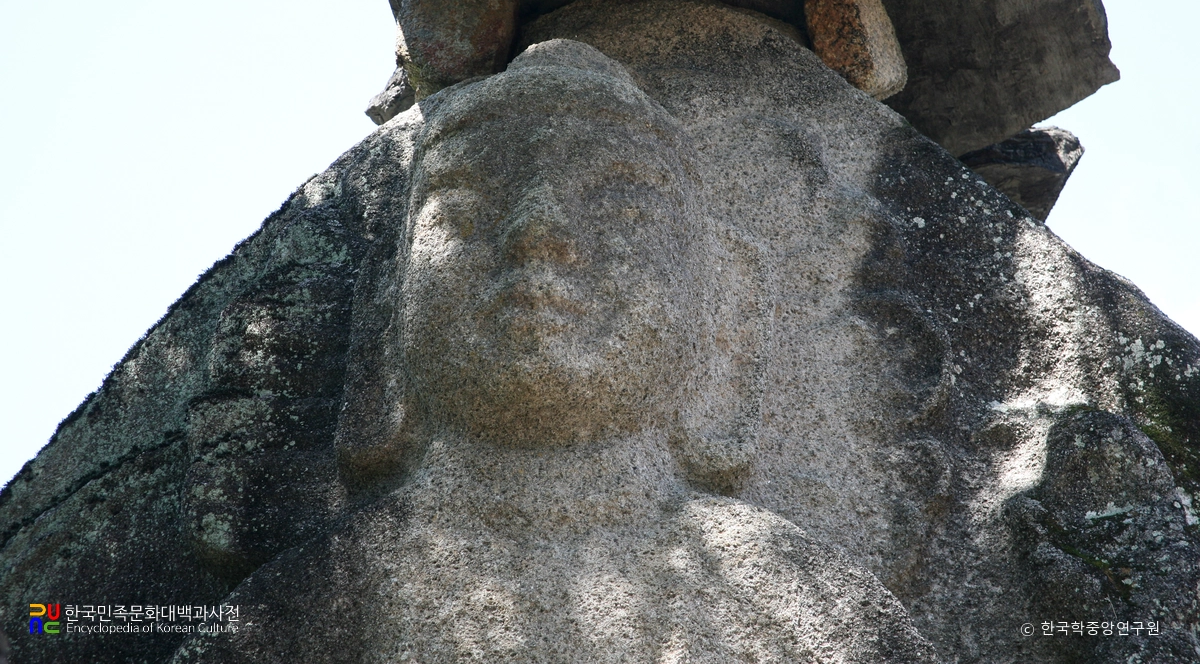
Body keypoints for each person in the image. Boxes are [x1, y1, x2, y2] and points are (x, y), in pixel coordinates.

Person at [171, 40, 935, 663]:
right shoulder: (315, 604)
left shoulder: (798, 609)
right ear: (383, 310)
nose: (538, 232)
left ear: (728, 312)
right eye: (465, 205)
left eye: (623, 205)